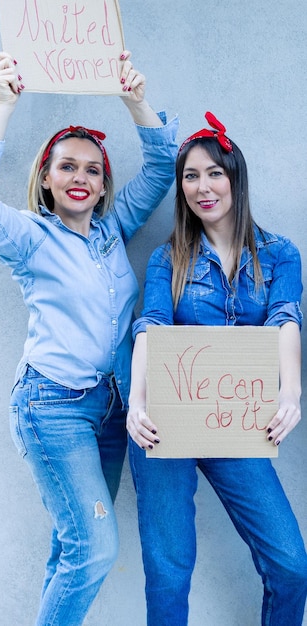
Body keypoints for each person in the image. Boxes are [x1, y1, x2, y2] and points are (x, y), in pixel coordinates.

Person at [0, 51, 178, 625]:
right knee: (96, 547)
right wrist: (4, 106)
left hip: (111, 412)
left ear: (104, 186)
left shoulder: (113, 229)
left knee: (72, 548)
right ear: (47, 180)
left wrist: (135, 101)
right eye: (67, 167)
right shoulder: (30, 237)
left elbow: (160, 168)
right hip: (51, 408)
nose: (81, 178)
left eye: (92, 170)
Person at [126, 111, 307, 625]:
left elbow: (285, 320)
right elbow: (152, 327)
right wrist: (138, 404)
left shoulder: (279, 255)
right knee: (169, 572)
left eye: (213, 173)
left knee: (292, 565)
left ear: (235, 178)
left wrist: (289, 394)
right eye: (190, 176)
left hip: (237, 427)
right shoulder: (168, 259)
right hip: (164, 425)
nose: (202, 187)